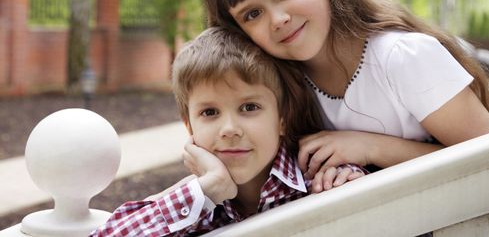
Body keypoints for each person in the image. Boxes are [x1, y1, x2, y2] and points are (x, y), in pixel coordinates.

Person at [202, 0, 489, 236]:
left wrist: (372, 149)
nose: (277, 18)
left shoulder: (401, 58)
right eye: (252, 13)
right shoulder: (285, 90)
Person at [89, 27, 365, 237]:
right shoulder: (195, 204)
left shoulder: (325, 180)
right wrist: (210, 188)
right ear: (189, 127)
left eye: (249, 107)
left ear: (282, 118)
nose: (230, 129)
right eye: (209, 112)